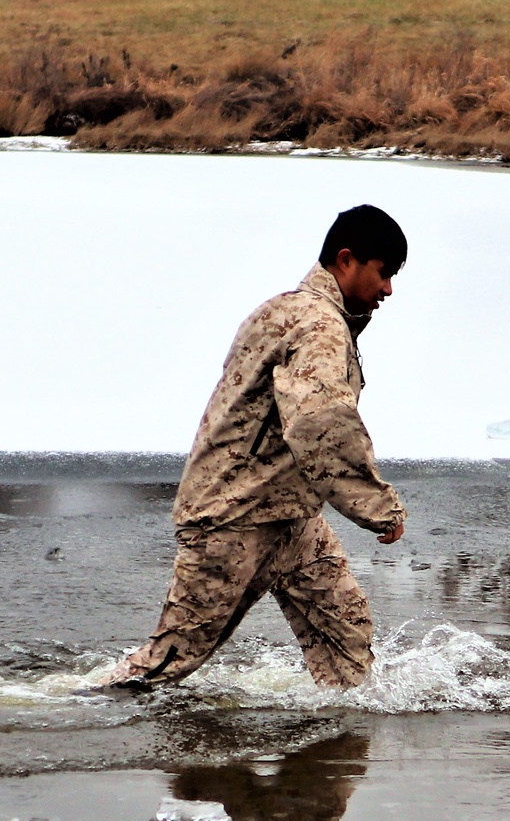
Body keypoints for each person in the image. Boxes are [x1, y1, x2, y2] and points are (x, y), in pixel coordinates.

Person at [97, 204, 408, 693]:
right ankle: (67, 710)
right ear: (346, 260)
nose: (388, 289)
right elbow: (319, 423)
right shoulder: (319, 326)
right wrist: (376, 506)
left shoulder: (290, 311)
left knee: (347, 640)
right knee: (168, 663)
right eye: (384, 273)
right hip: (232, 517)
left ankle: (340, 747)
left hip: (288, 515)